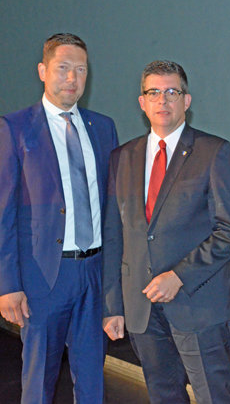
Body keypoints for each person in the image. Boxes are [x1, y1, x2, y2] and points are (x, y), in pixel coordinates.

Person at [102, 60, 230, 403]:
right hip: (142, 308)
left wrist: (178, 276)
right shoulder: (122, 157)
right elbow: (115, 235)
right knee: (163, 396)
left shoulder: (213, 152)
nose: (162, 100)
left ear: (186, 100)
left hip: (199, 305)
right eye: (153, 92)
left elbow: (228, 230)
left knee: (215, 396)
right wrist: (113, 305)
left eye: (171, 92)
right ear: (142, 102)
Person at [0, 33, 118, 403]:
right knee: (39, 380)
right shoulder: (15, 128)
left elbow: (112, 209)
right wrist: (7, 284)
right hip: (44, 277)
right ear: (42, 71)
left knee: (92, 379)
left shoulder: (103, 128)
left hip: (94, 274)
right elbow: (3, 213)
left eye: (80, 70)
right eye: (63, 67)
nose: (72, 77)